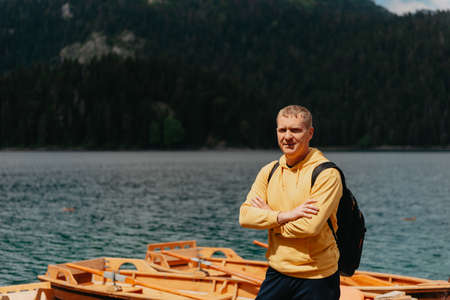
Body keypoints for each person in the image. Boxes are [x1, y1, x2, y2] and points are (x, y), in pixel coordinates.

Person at [239, 105, 342, 300]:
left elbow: (309, 227)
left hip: (318, 276)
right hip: (278, 271)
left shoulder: (326, 174)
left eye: (295, 130)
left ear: (310, 133)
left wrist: (270, 220)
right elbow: (245, 216)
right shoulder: (269, 171)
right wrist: (285, 216)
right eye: (282, 130)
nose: (287, 136)